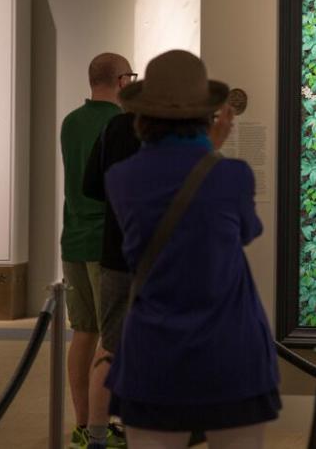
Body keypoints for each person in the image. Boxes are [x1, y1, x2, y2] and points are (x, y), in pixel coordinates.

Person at [104, 50, 280, 448]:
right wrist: (210, 151)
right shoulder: (232, 176)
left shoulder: (122, 178)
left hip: (154, 349)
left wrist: (205, 152)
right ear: (208, 115)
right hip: (230, 348)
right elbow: (245, 232)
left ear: (142, 115)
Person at [61, 52, 135, 449]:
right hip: (104, 244)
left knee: (83, 334)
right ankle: (99, 427)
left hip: (71, 236)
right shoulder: (118, 125)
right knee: (110, 338)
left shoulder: (71, 122)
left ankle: (83, 422)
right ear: (122, 80)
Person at [82, 110, 140, 449]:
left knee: (109, 348)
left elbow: (90, 186)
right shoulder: (175, 130)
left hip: (116, 252)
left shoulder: (114, 126)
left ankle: (97, 437)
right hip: (159, 259)